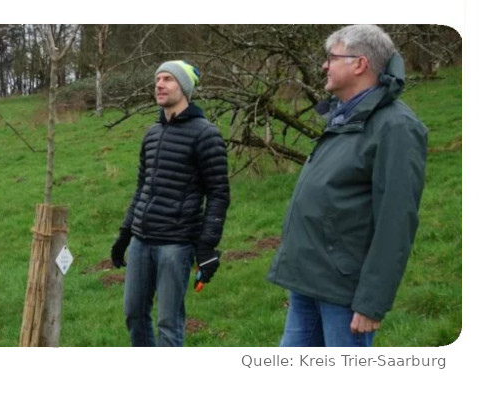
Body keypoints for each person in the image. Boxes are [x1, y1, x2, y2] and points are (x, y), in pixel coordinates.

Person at [267, 25, 428, 347]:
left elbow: (396, 220)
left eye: (332, 58)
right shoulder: (346, 117)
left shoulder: (395, 127)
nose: (324, 66)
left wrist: (372, 301)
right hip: (309, 280)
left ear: (360, 64)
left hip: (344, 292)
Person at [110, 60, 230, 346]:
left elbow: (218, 194)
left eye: (168, 79)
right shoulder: (151, 134)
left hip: (175, 245)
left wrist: (206, 247)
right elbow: (142, 188)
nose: (160, 85)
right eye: (157, 80)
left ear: (184, 88)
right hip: (141, 241)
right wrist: (125, 234)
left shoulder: (206, 134)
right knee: (134, 315)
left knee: (168, 322)